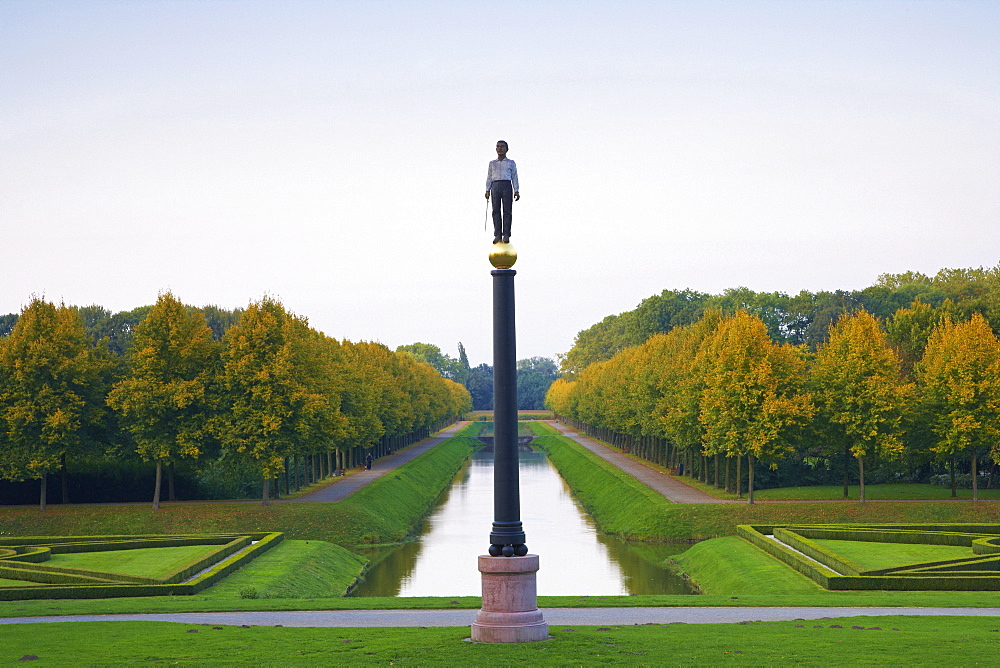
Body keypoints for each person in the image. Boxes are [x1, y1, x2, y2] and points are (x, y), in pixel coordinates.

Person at [485, 140, 519, 243]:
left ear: (506, 149)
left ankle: (506, 234)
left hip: (506, 185)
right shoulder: (492, 163)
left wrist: (516, 190)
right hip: (495, 185)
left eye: (502, 147)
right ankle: (497, 234)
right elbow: (489, 177)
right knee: (495, 210)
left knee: (507, 211)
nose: (500, 148)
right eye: (498, 146)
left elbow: (514, 177)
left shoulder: (511, 163)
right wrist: (487, 189)